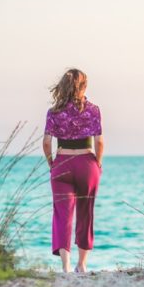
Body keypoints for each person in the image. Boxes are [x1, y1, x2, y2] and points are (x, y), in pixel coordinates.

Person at [42, 68, 103, 273]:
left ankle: (66, 266)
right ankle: (82, 265)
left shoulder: (54, 112)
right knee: (86, 212)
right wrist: (98, 163)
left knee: (62, 214)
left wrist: (52, 162)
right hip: (87, 163)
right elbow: (99, 142)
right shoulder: (93, 110)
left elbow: (46, 142)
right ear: (84, 86)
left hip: (62, 162)